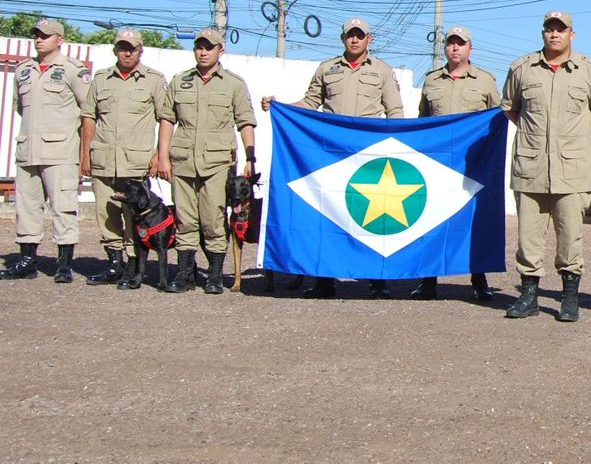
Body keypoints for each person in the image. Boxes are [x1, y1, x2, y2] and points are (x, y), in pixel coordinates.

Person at [263, 17, 404, 298]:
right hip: (332, 152)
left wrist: (395, 146)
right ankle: (325, 279)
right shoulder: (327, 69)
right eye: (350, 35)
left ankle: (377, 279)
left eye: (360, 35)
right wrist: (280, 107)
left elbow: (395, 112)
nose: (355, 40)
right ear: (343, 39)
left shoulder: (383, 71)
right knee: (328, 215)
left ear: (369, 39)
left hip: (369, 152)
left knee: (373, 217)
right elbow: (309, 103)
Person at [501, 10, 591, 323]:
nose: (554, 35)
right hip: (531, 166)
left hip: (571, 170)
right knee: (529, 240)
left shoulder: (589, 71)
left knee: (570, 238)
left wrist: (571, 136)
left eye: (560, 30)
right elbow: (511, 109)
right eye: (549, 29)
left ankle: (569, 297)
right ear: (543, 33)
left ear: (571, 35)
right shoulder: (522, 69)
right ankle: (529, 296)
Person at [154, 28, 256, 293]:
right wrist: (162, 156)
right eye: (199, 46)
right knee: (185, 218)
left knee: (213, 219)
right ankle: (186, 274)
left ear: (220, 50)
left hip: (217, 162)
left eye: (208, 47)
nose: (203, 51)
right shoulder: (180, 81)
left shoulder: (234, 83)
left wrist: (250, 157)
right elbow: (167, 119)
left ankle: (214, 276)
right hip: (183, 159)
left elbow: (245, 122)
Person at [412, 25, 501, 302]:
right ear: (445, 48)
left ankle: (479, 278)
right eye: (450, 43)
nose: (455, 48)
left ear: (469, 48)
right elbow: (423, 121)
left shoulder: (486, 80)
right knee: (432, 219)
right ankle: (428, 280)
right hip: (437, 164)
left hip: (473, 164)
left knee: (474, 221)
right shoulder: (431, 81)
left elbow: (498, 118)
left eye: (460, 43)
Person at [2, 18, 91, 282]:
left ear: (59, 40)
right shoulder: (23, 70)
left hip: (61, 152)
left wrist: (84, 153)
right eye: (37, 35)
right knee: (27, 207)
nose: (39, 39)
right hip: (28, 149)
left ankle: (63, 264)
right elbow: (21, 107)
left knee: (63, 208)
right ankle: (27, 260)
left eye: (45, 35)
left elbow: (87, 112)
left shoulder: (73, 70)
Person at [81, 28, 166, 287]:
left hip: (136, 162)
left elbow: (165, 118)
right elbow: (89, 116)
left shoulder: (154, 79)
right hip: (104, 158)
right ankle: (114, 263)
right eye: (122, 47)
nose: (127, 52)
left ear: (141, 50)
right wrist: (85, 154)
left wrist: (159, 155)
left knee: (135, 217)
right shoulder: (101, 78)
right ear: (115, 50)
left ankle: (133, 265)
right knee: (105, 214)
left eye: (132, 48)